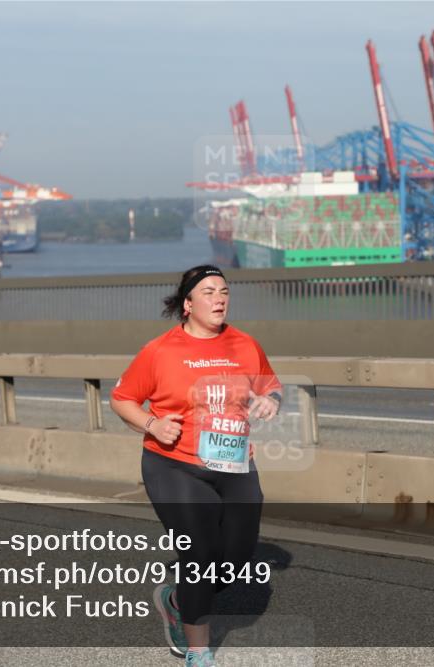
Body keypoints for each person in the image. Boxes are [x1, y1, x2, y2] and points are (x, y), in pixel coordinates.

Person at [110, 265, 281, 667]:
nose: (219, 298)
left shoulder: (245, 344)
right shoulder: (160, 351)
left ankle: (175, 599)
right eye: (208, 292)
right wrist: (153, 423)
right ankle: (198, 652)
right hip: (174, 465)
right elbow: (122, 399)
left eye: (224, 291)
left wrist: (270, 400)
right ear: (187, 304)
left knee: (237, 559)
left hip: (234, 464)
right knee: (198, 555)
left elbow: (269, 385)